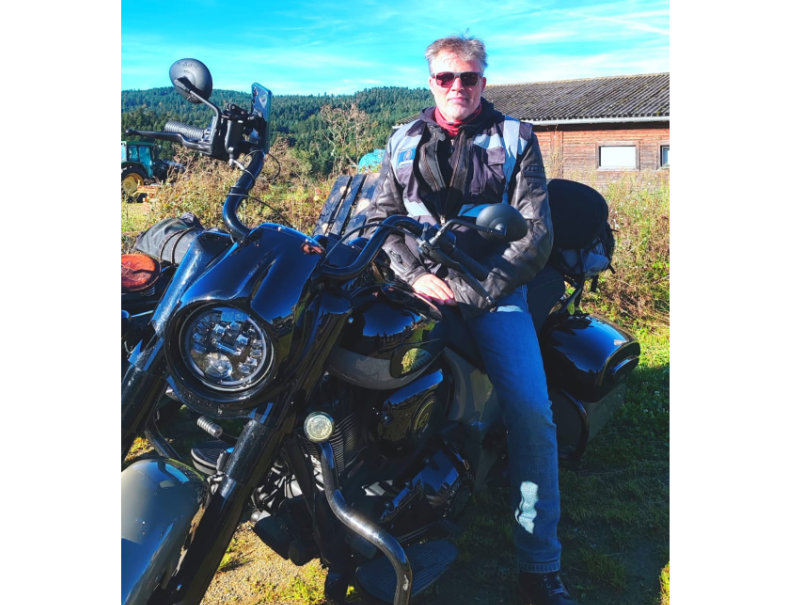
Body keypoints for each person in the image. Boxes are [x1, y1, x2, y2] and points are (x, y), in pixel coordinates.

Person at [366, 35, 576, 605]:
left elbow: (536, 234)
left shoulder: (515, 138)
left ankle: (540, 565)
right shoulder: (402, 140)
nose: (457, 87)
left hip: (492, 289)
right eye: (445, 77)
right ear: (430, 81)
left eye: (468, 77)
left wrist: (470, 289)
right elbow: (382, 217)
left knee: (531, 414)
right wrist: (413, 275)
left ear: (484, 80)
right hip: (418, 285)